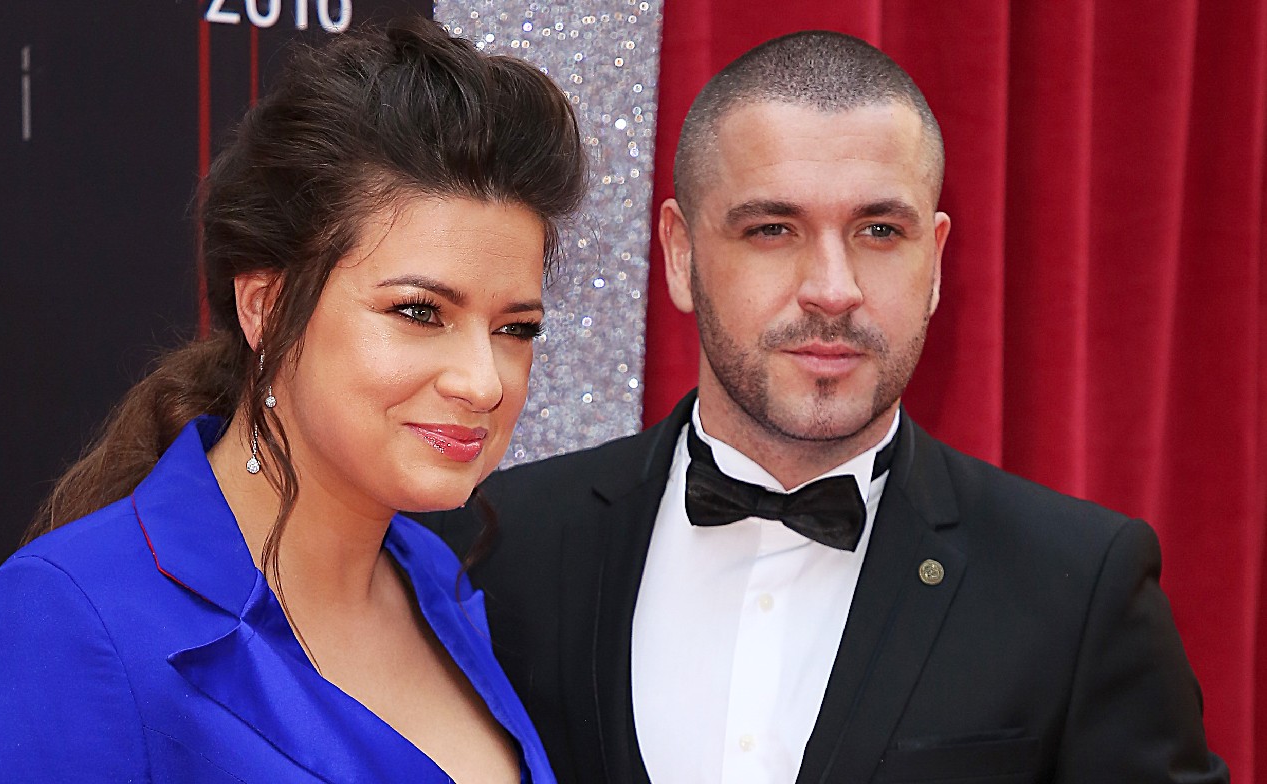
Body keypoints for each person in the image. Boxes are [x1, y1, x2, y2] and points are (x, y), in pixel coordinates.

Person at [416, 30, 1228, 783]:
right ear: (680, 253)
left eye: (879, 230)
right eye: (773, 229)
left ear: (936, 261)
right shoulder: (486, 549)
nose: (833, 290)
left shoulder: (1080, 586)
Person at [0, 17, 587, 783]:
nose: (483, 381)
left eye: (516, 327)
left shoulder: (436, 581)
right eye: (420, 312)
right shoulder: (75, 620)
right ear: (266, 309)